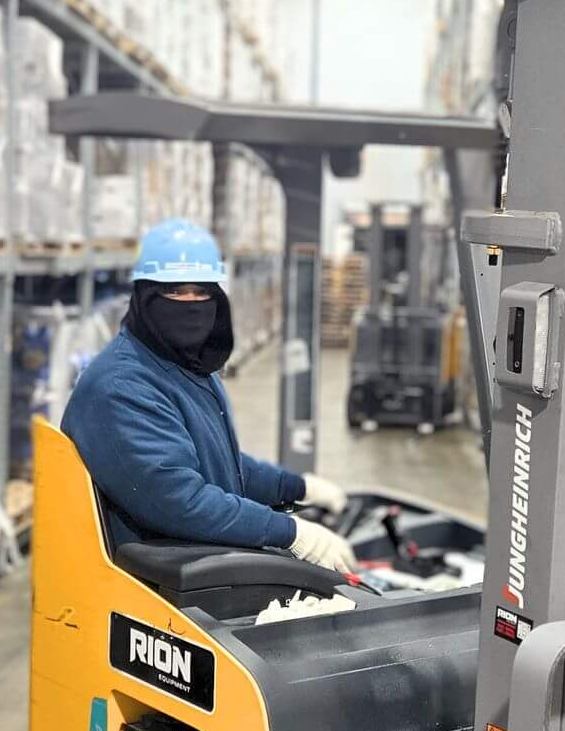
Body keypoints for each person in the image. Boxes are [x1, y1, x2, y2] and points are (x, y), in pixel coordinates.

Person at [63, 218, 358, 576]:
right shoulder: (122, 386)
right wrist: (291, 533)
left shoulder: (184, 366)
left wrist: (295, 487)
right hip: (158, 582)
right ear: (143, 296)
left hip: (201, 555)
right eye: (174, 292)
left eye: (201, 291)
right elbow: (179, 501)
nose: (191, 304)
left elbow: (218, 463)